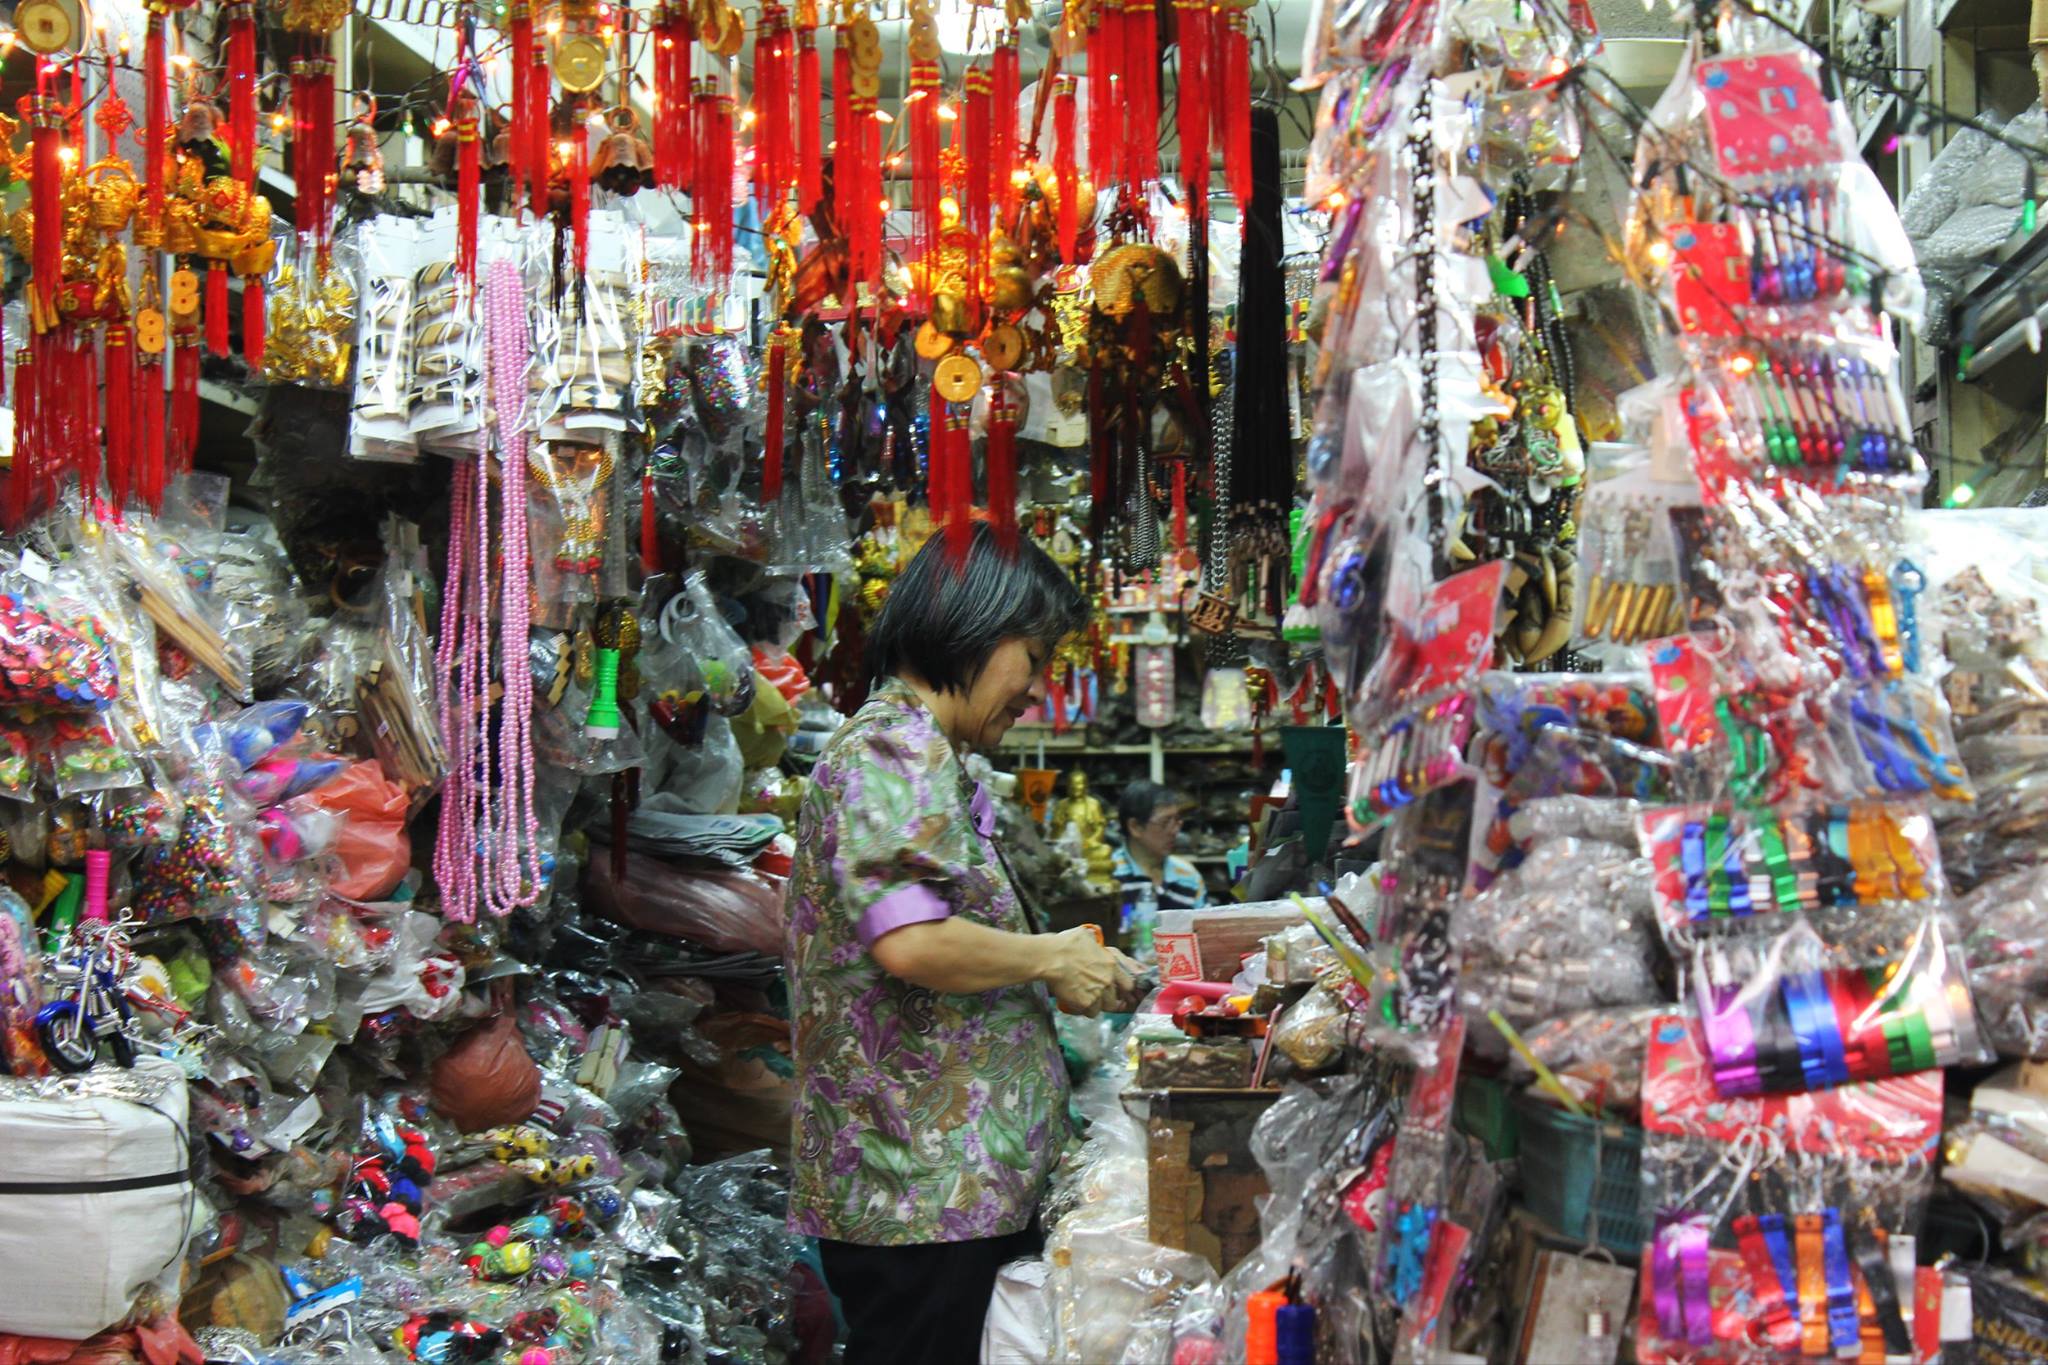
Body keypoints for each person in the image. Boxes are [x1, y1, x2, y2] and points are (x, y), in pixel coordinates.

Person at [785, 523, 1140, 1365]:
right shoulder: (890, 745)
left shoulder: (925, 753)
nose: (1037, 688)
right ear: (980, 627)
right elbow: (909, 939)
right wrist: (1050, 956)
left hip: (952, 1190)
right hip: (922, 1195)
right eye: (1037, 656)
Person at [1112, 780, 1211, 911]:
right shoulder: (1110, 874)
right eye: (1165, 822)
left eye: (1177, 820)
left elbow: (1205, 927)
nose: (1175, 831)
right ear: (1135, 827)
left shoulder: (1188, 876)